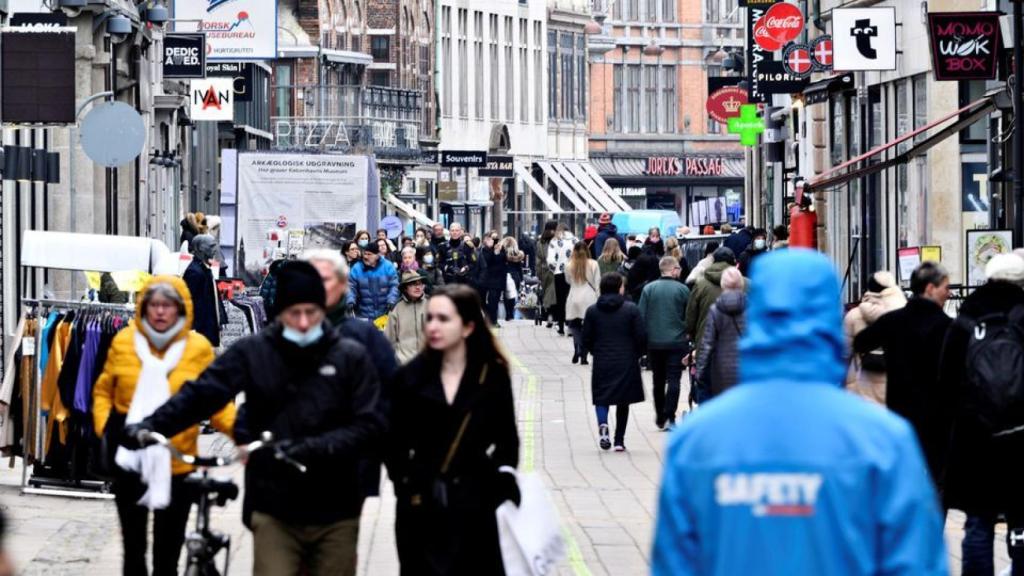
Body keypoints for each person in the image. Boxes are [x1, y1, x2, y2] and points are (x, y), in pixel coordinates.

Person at [652, 249, 948, 575]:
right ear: (829, 318)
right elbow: (916, 563)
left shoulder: (696, 441)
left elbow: (674, 564)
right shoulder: (883, 442)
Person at [123, 261, 385, 576]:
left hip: (335, 506)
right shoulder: (256, 351)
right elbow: (203, 392)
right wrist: (152, 425)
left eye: (311, 313)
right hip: (275, 503)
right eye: (293, 313)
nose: (303, 323)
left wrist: (316, 447)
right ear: (279, 312)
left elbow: (370, 424)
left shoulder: (348, 356)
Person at [94, 277, 235, 576]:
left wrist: (241, 433)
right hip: (130, 459)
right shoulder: (124, 340)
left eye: (167, 306)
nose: (160, 312)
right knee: (133, 551)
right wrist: (105, 428)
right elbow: (104, 390)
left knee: (167, 553)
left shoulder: (197, 347)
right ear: (144, 307)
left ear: (181, 309)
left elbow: (216, 398)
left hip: (177, 463)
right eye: (154, 305)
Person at [386, 285, 520, 575]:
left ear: (468, 326)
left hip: (477, 502)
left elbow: (507, 441)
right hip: (421, 503)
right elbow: (392, 442)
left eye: (444, 319)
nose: (432, 326)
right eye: (430, 318)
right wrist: (405, 484)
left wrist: (496, 484)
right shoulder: (409, 377)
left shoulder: (491, 374)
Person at [940, 253, 1024, 575]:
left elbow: (946, 379)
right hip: (1020, 434)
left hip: (974, 435)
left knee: (978, 523)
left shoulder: (968, 313)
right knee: (1021, 522)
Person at [848, 262, 952, 484]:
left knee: (903, 471)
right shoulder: (948, 326)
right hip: (938, 412)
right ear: (930, 289)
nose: (950, 293)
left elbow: (860, 342)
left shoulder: (893, 321)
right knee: (936, 475)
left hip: (900, 406)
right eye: (946, 287)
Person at [583, 273, 646, 451]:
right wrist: (638, 354)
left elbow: (586, 338)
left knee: (601, 397)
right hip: (626, 360)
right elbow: (641, 336)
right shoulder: (631, 309)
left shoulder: (593, 311)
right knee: (623, 400)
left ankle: (603, 424)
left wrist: (595, 351)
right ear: (619, 288)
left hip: (603, 359)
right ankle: (619, 440)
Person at [639, 256, 691, 429]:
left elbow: (641, 316)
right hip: (677, 341)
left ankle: (660, 414)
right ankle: (670, 416)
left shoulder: (649, 289)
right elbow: (689, 315)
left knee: (658, 380)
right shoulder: (683, 290)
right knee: (674, 379)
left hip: (654, 342)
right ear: (674, 269)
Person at [844, 271, 907, 405]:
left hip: (860, 386)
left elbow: (843, 352)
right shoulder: (905, 316)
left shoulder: (854, 315)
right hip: (895, 386)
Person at [686, 247, 737, 383]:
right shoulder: (745, 284)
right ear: (733, 262)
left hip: (705, 342)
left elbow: (691, 316)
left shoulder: (700, 284)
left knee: (705, 385)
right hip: (735, 345)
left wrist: (691, 334)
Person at [694, 266, 745, 399]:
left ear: (723, 284)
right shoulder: (751, 307)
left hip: (720, 369)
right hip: (745, 365)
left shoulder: (716, 309)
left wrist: (700, 371)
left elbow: (707, 343)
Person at [182, 234, 225, 347]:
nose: (214, 250)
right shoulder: (195, 272)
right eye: (210, 246)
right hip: (200, 331)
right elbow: (189, 302)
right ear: (200, 248)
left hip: (206, 329)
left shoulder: (203, 269)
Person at [565, 241, 600, 365]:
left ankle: (577, 349)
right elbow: (597, 283)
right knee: (588, 328)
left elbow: (568, 281)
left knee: (575, 326)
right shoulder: (594, 264)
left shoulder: (569, 265)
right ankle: (584, 356)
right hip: (589, 298)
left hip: (574, 297)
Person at [386, 271, 428, 364]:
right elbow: (389, 340)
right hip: (405, 363)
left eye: (420, 284)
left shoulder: (431, 304)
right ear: (405, 288)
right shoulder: (396, 309)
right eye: (413, 284)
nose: (418, 287)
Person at [348, 246, 400, 322]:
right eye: (364, 254)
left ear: (377, 255)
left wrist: (392, 299)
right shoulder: (356, 268)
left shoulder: (388, 266)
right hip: (363, 314)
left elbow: (394, 285)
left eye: (369, 254)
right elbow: (350, 287)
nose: (365, 256)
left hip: (385, 313)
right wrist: (350, 300)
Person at [546, 223, 577, 336]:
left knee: (561, 300)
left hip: (559, 273)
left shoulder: (554, 242)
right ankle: (570, 325)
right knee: (572, 298)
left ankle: (561, 326)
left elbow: (550, 260)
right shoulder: (575, 240)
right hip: (573, 272)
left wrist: (554, 269)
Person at [479, 232, 508, 326]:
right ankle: (489, 317)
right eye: (492, 238)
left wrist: (498, 252)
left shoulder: (501, 248)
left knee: (494, 301)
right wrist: (491, 250)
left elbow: (503, 261)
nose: (494, 240)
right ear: (485, 240)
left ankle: (493, 321)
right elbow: (486, 261)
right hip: (486, 280)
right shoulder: (483, 250)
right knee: (482, 301)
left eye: (496, 238)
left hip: (497, 280)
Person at [537, 221, 559, 331]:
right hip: (557, 271)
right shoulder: (558, 241)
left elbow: (538, 260)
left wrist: (539, 275)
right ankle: (557, 318)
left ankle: (550, 316)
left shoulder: (541, 242)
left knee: (549, 295)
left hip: (545, 272)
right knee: (558, 295)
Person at [442, 223, 479, 288]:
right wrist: (447, 267)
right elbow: (439, 262)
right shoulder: (443, 246)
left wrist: (466, 268)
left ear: (460, 232)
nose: (454, 233)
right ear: (449, 232)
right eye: (452, 230)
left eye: (457, 230)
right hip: (448, 280)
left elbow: (474, 262)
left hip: (464, 280)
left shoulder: (467, 246)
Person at [503, 236, 526, 321]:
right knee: (512, 295)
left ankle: (508, 313)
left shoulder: (502, 254)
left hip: (505, 275)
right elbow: (519, 268)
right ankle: (511, 314)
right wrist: (522, 279)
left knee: (506, 295)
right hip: (515, 277)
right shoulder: (517, 254)